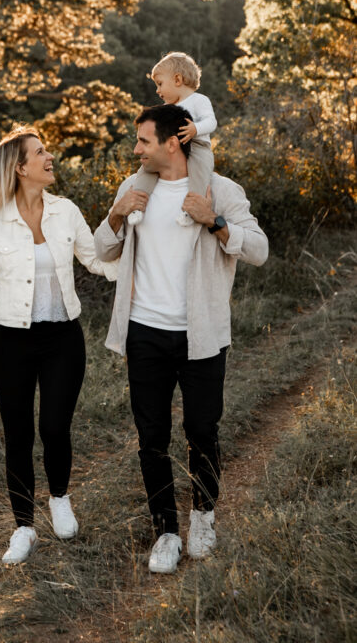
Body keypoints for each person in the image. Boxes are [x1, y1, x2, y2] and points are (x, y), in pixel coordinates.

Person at [94, 104, 268, 574]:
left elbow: (259, 249)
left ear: (173, 142)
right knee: (151, 437)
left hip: (201, 335)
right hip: (144, 333)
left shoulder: (220, 190)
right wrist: (115, 214)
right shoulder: (133, 188)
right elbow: (102, 249)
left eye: (143, 142)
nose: (136, 150)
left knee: (202, 431)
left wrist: (214, 220)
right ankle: (166, 532)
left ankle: (203, 519)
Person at [0, 125, 118, 565]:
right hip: (12, 340)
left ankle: (60, 498)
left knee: (54, 427)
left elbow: (94, 260)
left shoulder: (65, 212)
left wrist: (138, 258)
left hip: (62, 338)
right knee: (18, 434)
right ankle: (24, 528)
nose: (50, 157)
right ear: (20, 167)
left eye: (47, 150)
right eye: (41, 152)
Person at [129, 51, 217, 227]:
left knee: (200, 174)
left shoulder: (199, 100)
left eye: (160, 84)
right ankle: (137, 206)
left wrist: (195, 129)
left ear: (177, 80)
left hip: (198, 145)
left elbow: (211, 121)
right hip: (172, 150)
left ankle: (190, 211)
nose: (157, 90)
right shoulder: (167, 107)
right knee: (146, 171)